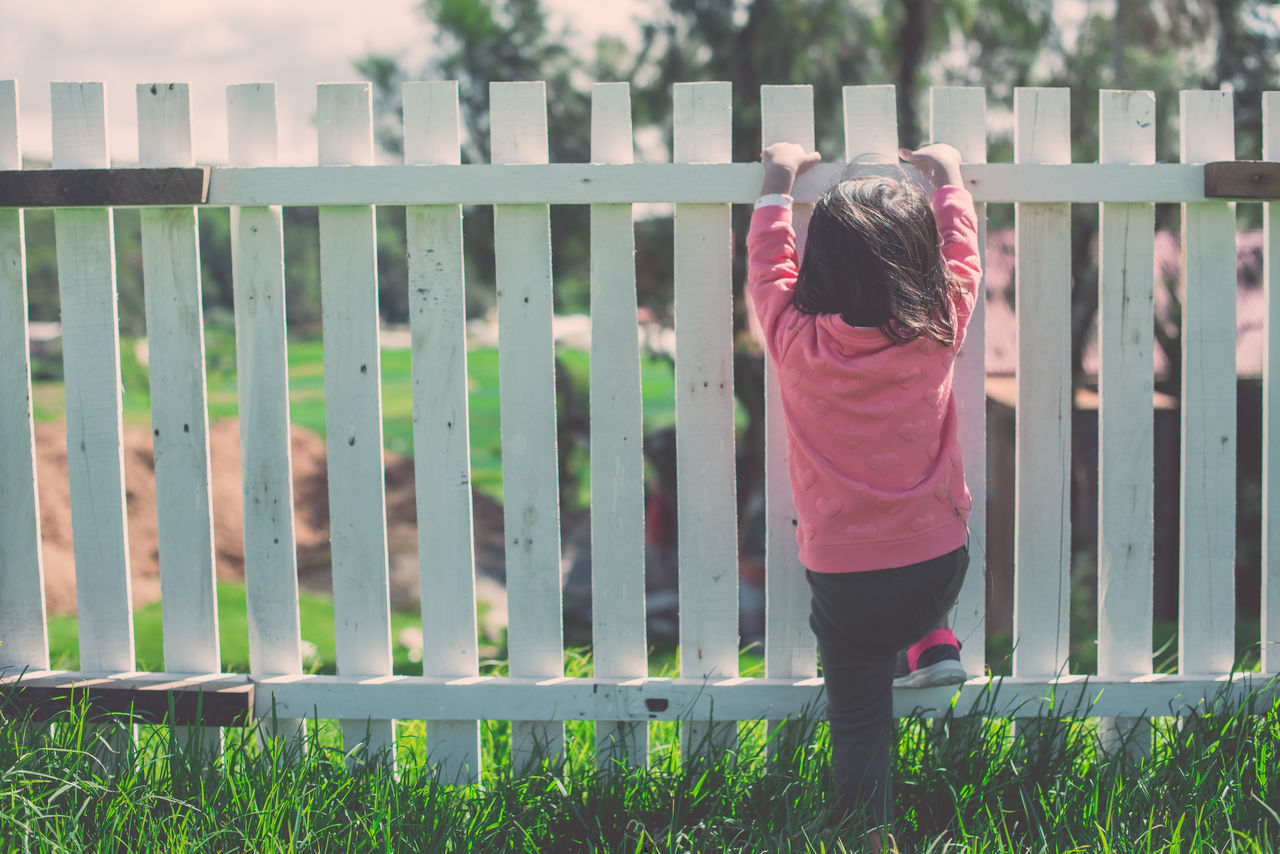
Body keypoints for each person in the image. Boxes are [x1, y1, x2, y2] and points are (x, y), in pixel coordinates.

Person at [745, 141, 981, 846]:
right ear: (920, 263)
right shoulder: (938, 327)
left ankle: (865, 835)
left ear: (822, 265)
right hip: (937, 562)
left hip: (843, 577)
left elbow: (767, 266)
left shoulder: (794, 339)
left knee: (858, 724)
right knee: (917, 596)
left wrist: (777, 179)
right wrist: (950, 181)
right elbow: (964, 258)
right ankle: (932, 636)